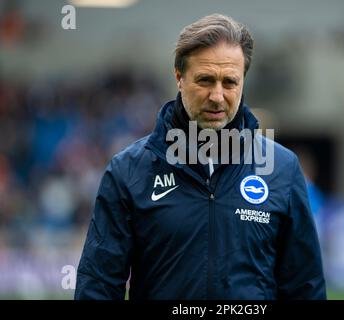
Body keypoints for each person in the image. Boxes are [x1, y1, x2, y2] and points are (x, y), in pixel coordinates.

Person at [75, 13, 326, 300]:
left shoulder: (282, 168)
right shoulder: (129, 170)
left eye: (230, 82)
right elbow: (98, 285)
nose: (217, 96)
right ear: (179, 77)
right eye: (205, 80)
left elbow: (304, 287)